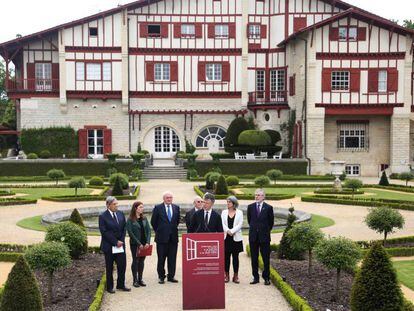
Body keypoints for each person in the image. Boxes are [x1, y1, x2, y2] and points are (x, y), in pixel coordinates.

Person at [98, 196, 131, 293]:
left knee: (122, 265)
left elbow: (124, 228)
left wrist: (121, 241)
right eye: (114, 204)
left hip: (120, 246)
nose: (117, 206)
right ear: (108, 205)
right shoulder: (102, 216)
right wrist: (115, 242)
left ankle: (120, 285)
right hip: (109, 246)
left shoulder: (120, 214)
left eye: (117, 204)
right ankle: (110, 287)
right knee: (109, 267)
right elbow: (104, 232)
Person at [151, 191, 180, 284]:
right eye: (167, 197)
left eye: (170, 197)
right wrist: (160, 231)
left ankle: (171, 276)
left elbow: (177, 221)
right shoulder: (158, 208)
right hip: (161, 238)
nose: (169, 199)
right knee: (161, 259)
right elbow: (153, 222)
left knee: (172, 258)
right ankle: (161, 276)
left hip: (173, 238)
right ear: (164, 198)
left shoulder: (176, 207)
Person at [247, 189, 274, 286]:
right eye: (255, 195)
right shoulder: (250, 207)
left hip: (264, 237)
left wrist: (264, 231)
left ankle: (266, 277)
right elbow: (250, 221)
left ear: (263, 197)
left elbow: (271, 223)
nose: (256, 197)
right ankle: (255, 277)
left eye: (258, 195)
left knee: (266, 258)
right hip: (253, 237)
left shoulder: (269, 208)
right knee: (254, 258)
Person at [126, 201, 151, 288]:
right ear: (135, 208)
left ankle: (140, 279)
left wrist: (148, 242)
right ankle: (135, 280)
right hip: (135, 244)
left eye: (142, 207)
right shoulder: (130, 219)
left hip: (145, 244)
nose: (142, 208)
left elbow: (149, 231)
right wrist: (138, 243)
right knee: (135, 261)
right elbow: (130, 233)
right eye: (140, 207)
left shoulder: (144, 218)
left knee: (142, 261)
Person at [221, 196, 244, 283]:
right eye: (227, 202)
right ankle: (226, 275)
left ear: (234, 203)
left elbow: (240, 224)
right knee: (226, 258)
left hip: (236, 238)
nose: (227, 203)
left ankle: (236, 276)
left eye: (229, 202)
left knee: (235, 258)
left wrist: (232, 231)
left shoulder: (240, 212)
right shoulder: (224, 212)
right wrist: (228, 231)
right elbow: (222, 223)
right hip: (226, 238)